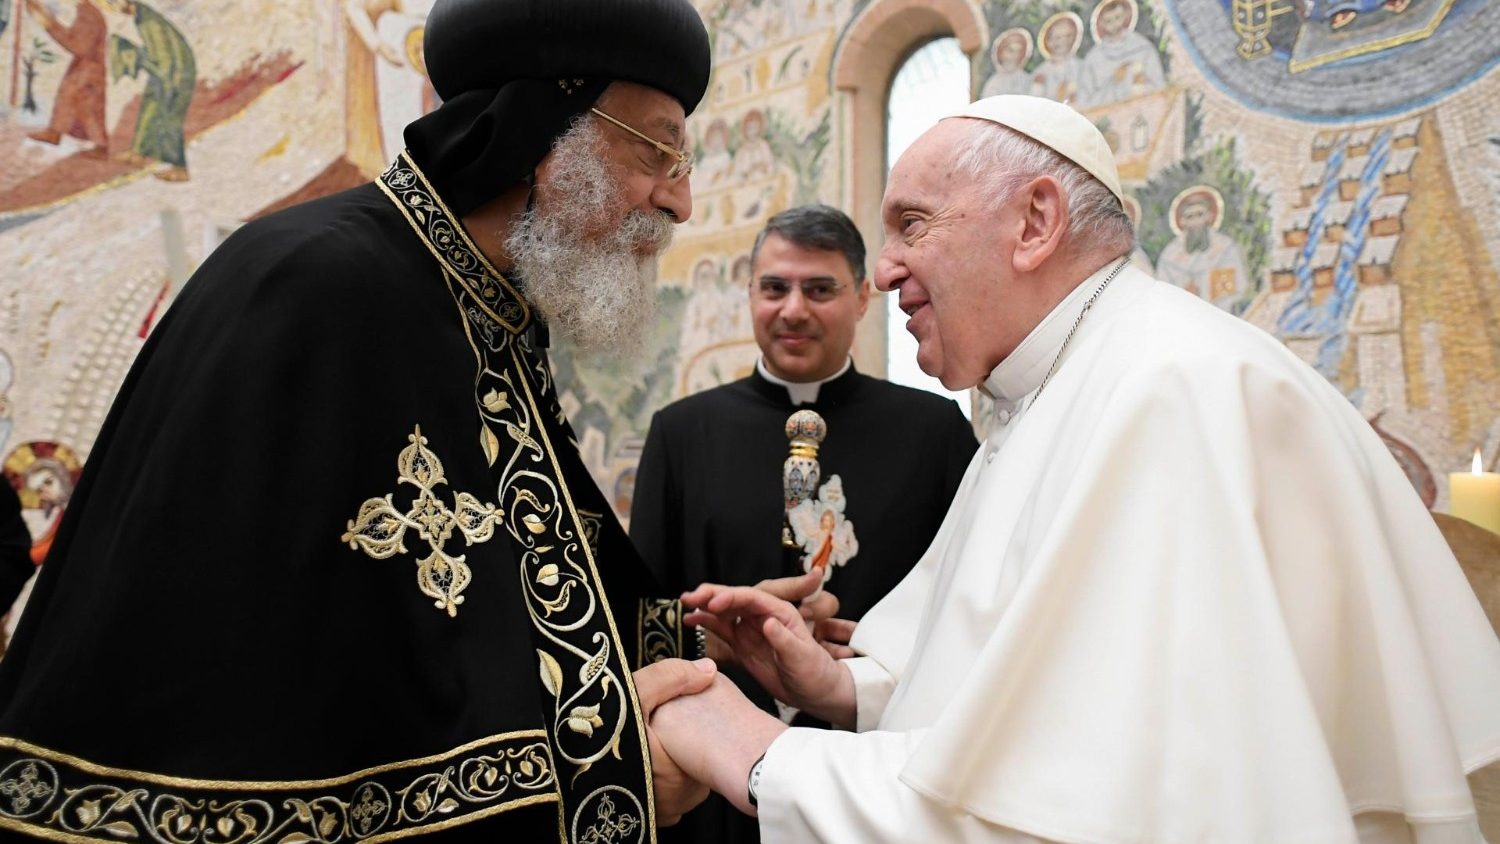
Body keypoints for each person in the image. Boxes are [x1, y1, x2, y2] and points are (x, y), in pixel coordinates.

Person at [0, 2, 832, 841]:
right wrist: (610, 770)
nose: (682, 199)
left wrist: (696, 642)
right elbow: (239, 715)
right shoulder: (314, 289)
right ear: (542, 127)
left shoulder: (492, 311)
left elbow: (499, 608)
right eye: (658, 149)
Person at [649, 95, 1500, 843]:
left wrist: (759, 751)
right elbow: (1009, 697)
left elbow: (1072, 811)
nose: (886, 271)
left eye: (913, 224)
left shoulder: (1170, 395)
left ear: (1034, 223)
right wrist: (845, 690)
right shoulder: (1051, 388)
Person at [632, 203, 976, 844]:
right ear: (751, 295)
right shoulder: (682, 432)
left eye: (819, 289)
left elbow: (968, 605)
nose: (793, 310)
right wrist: (714, 641)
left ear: (862, 299)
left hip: (882, 772)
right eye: (774, 288)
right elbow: (638, 611)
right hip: (717, 778)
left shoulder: (934, 432)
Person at [105, 0, 196, 180]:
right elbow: (157, 55)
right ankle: (139, 152)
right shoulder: (142, 18)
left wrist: (134, 56)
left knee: (169, 119)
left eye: (113, 4)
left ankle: (180, 168)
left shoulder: (149, 22)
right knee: (149, 109)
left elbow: (164, 57)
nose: (113, 8)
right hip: (163, 73)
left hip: (174, 76)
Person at [22, 0, 108, 155]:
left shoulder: (89, 14)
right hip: (85, 67)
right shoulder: (86, 11)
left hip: (88, 69)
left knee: (84, 105)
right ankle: (55, 133)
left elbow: (78, 46)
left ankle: (100, 145)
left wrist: (49, 24)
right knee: (70, 100)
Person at [1157, 184, 1252, 311]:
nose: (1196, 222)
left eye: (1200, 214)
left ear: (1209, 217)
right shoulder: (1170, 256)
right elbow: (1163, 295)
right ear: (1182, 222)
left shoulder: (1225, 248)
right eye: (1190, 217)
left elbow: (1235, 290)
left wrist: (1203, 296)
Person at [1077, 0, 1165, 108]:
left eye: (1117, 17)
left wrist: (1139, 83)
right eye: (1108, 21)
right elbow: (1086, 103)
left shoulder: (1142, 47)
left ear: (1125, 17)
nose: (1114, 24)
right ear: (1100, 24)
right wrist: (1115, 82)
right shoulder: (1093, 58)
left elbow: (1160, 88)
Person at [1030, 12, 1084, 104]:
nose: (1064, 41)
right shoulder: (1041, 71)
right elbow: (1034, 100)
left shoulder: (1080, 66)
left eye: (1068, 36)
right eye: (1058, 37)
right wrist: (1038, 87)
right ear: (1048, 41)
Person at [979, 28, 1034, 99]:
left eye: (1019, 51)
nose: (1015, 56)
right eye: (1011, 50)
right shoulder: (995, 82)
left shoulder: (1027, 79)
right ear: (1001, 52)